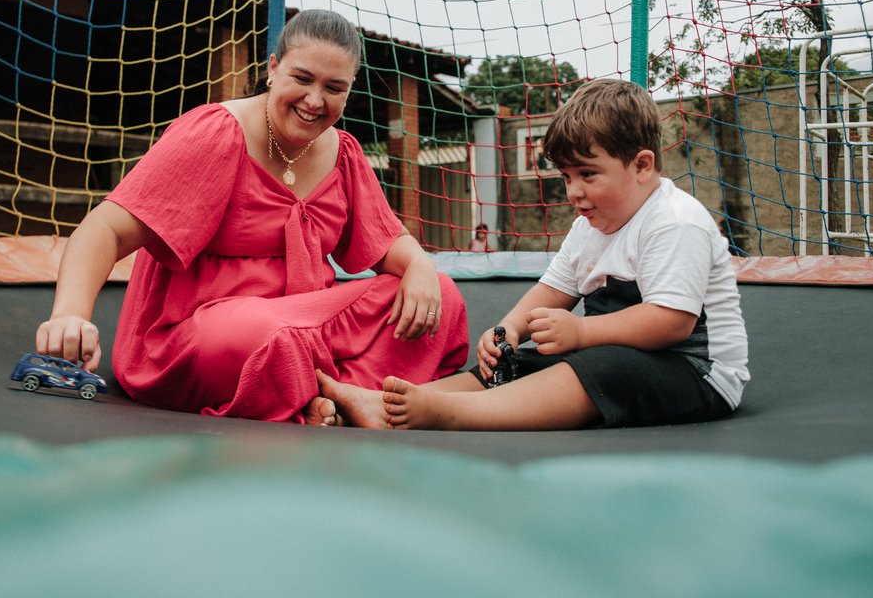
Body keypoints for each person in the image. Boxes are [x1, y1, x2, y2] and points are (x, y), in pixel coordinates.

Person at [35, 9, 468, 425]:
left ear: (350, 89)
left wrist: (421, 266)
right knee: (264, 335)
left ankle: (333, 398)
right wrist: (70, 314)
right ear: (273, 68)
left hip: (302, 324)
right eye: (302, 78)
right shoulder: (216, 134)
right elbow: (105, 228)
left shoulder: (344, 154)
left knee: (441, 296)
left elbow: (391, 243)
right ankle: (333, 391)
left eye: (334, 88)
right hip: (208, 334)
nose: (315, 101)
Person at [320, 78, 749, 430]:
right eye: (566, 176)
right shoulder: (589, 226)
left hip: (695, 372)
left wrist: (581, 334)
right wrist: (508, 330)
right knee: (520, 364)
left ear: (641, 165)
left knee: (604, 368)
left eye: (588, 174)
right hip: (617, 354)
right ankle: (383, 405)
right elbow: (553, 290)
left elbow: (672, 322)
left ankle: (445, 415)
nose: (573, 191)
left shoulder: (674, 222)